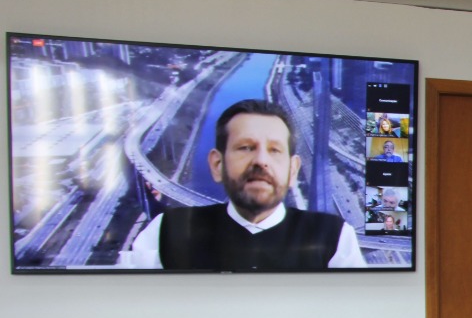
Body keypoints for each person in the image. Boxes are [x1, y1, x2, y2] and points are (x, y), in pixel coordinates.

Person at [122, 99, 365, 270]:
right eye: (246, 148)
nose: (261, 161)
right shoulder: (165, 232)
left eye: (274, 150)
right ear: (217, 164)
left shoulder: (336, 238)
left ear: (293, 170)